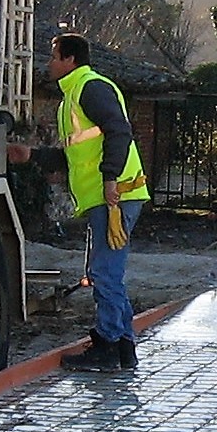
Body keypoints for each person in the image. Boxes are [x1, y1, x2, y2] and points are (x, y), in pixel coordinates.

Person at [49, 33, 149, 372]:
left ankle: (108, 345)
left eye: (54, 56)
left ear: (70, 59)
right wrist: (31, 156)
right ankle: (122, 348)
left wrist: (109, 180)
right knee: (107, 273)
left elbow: (119, 132)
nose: (49, 63)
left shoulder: (90, 88)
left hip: (115, 195)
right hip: (110, 196)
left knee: (105, 273)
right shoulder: (71, 99)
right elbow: (76, 155)